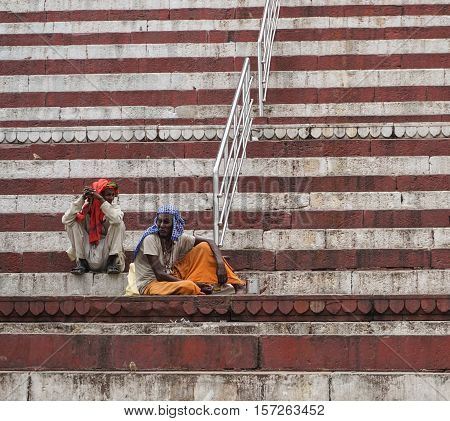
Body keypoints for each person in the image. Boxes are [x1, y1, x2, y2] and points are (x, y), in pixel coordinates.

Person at [133, 205, 245, 295]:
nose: (161, 225)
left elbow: (210, 242)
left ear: (174, 225)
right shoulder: (150, 239)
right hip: (152, 284)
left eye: (166, 222)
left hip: (173, 276)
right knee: (189, 286)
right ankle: (199, 289)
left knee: (204, 247)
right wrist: (194, 284)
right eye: (159, 221)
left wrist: (220, 264)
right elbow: (160, 275)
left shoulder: (180, 238)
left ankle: (238, 285)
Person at [62, 178, 126, 275]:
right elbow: (66, 220)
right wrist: (82, 199)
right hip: (88, 253)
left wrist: (101, 200)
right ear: (99, 194)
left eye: (113, 195)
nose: (111, 198)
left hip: (106, 254)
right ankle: (81, 263)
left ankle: (112, 262)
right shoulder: (86, 209)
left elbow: (116, 220)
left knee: (119, 224)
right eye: (108, 195)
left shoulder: (115, 209)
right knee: (72, 223)